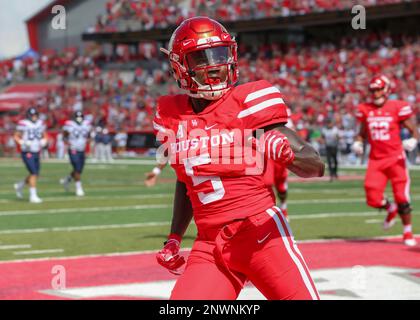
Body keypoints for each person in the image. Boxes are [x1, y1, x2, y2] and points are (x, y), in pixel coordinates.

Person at [154, 17, 324, 300]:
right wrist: (174, 237)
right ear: (179, 66)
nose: (215, 64)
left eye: (220, 54)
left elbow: (315, 164)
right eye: (201, 57)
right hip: (210, 245)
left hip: (261, 234)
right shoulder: (172, 117)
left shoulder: (250, 102)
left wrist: (288, 155)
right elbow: (187, 182)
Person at [353, 75, 419, 246]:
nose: (376, 93)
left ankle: (407, 232)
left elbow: (413, 130)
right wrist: (358, 142)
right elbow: (362, 132)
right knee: (372, 198)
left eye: (379, 89)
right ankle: (390, 208)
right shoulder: (365, 109)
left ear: (387, 89)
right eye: (373, 90)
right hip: (376, 160)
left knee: (402, 198)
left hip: (395, 158)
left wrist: (414, 140)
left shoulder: (397, 107)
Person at [13, 107, 48, 203]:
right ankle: (33, 195)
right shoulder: (23, 123)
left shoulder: (40, 123)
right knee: (33, 173)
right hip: (27, 152)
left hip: (36, 151)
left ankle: (20, 185)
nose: (34, 117)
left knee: (35, 174)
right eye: (32, 115)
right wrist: (22, 142)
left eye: (35, 115)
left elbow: (44, 134)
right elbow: (16, 136)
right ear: (28, 116)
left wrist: (44, 140)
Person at [60, 111, 92, 196]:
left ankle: (68, 179)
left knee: (79, 170)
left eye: (80, 117)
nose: (79, 119)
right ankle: (79, 188)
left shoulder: (86, 124)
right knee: (77, 168)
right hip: (73, 149)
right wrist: (67, 142)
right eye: (77, 118)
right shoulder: (69, 124)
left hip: (82, 149)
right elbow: (64, 135)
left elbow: (88, 134)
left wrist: (88, 139)